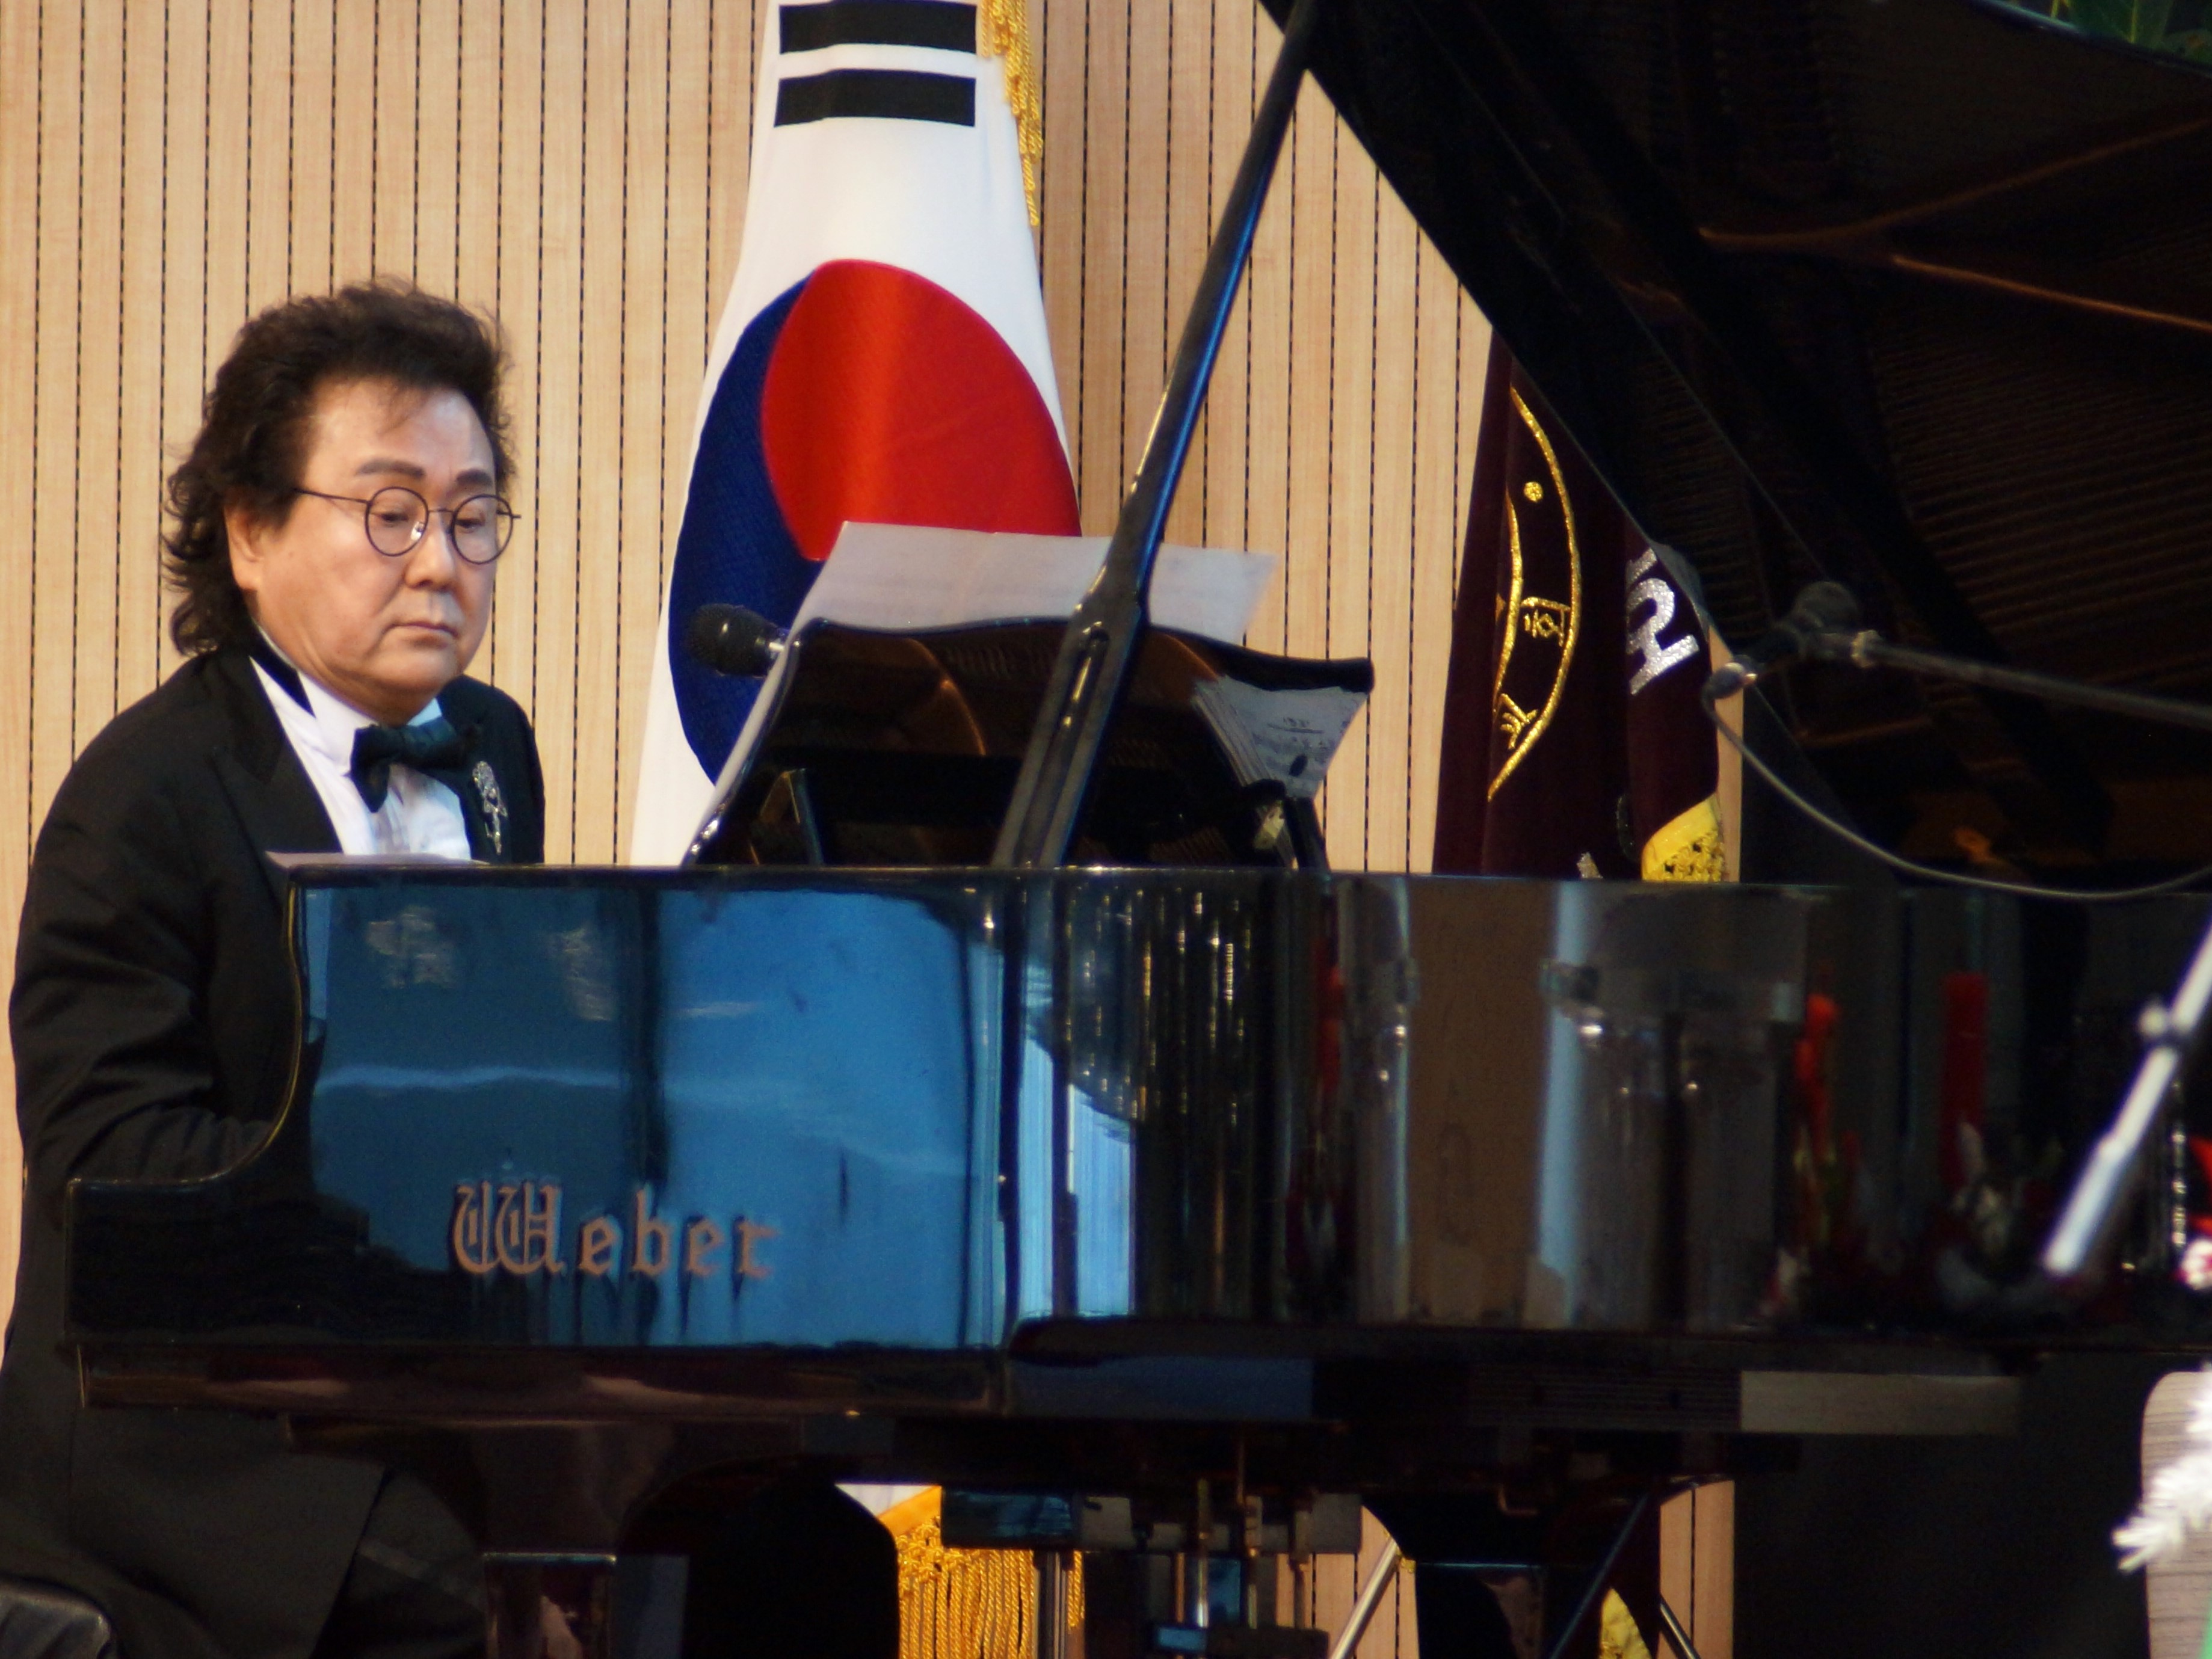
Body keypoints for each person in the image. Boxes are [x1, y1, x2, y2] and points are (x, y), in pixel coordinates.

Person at [0, 281, 544, 1659]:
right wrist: (376, 1171)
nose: (441, 562)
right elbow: (104, 1159)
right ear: (249, 532)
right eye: (392, 511)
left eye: (472, 514)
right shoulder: (143, 795)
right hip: (187, 1427)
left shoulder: (492, 749)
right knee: (476, 1602)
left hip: (420, 1385)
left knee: (778, 1550)